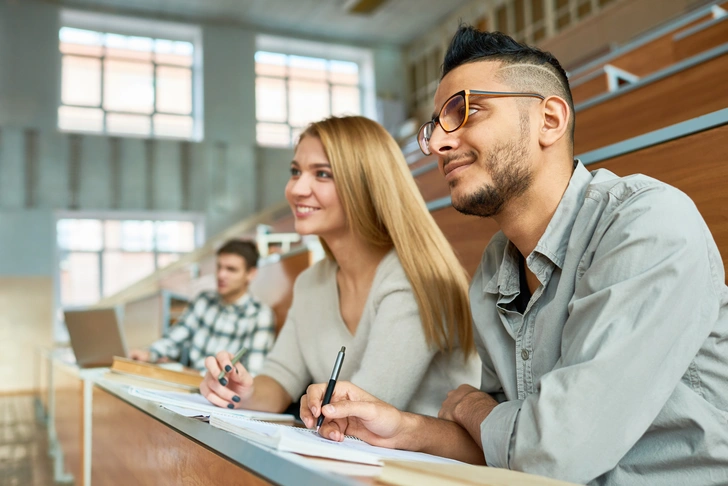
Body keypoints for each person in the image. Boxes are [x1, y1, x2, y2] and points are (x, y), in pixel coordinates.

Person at [300, 27, 728, 485]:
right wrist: (404, 427)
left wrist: (469, 405)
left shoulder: (647, 221)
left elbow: (555, 449)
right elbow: (502, 444)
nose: (441, 145)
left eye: (467, 111)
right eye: (436, 128)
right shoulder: (494, 266)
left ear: (549, 119)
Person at [200, 115, 481, 417]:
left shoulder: (415, 279)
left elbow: (365, 411)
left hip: (425, 462)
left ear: (366, 185)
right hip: (357, 455)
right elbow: (279, 381)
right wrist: (241, 391)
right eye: (296, 172)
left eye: (322, 174)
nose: (296, 189)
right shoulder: (311, 283)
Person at [129, 239, 275, 374]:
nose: (221, 274)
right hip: (188, 384)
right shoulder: (204, 300)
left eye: (231, 269)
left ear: (251, 274)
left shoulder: (260, 316)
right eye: (219, 267)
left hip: (222, 393)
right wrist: (149, 354)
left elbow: (253, 375)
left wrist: (196, 375)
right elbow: (174, 339)